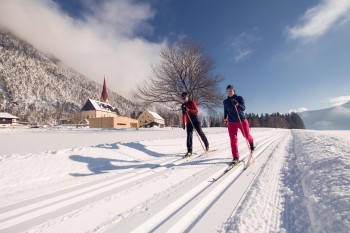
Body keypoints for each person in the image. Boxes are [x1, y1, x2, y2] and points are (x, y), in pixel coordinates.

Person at [223, 85, 255, 163]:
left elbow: (243, 108)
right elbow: (225, 111)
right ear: (226, 92)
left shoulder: (239, 98)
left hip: (241, 120)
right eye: (228, 91)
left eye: (231, 90)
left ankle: (251, 141)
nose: (229, 92)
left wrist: (237, 104)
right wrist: (225, 118)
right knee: (233, 140)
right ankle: (235, 157)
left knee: (246, 136)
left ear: (234, 91)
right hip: (231, 122)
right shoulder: (225, 101)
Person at [181, 92, 209, 157]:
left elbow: (196, 111)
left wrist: (188, 110)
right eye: (182, 98)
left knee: (200, 133)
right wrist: (183, 122)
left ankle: (206, 144)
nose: (183, 99)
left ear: (187, 97)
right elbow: (183, 115)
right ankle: (189, 151)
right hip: (188, 122)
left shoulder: (192, 103)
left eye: (184, 98)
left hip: (195, 120)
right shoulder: (183, 106)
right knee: (189, 136)